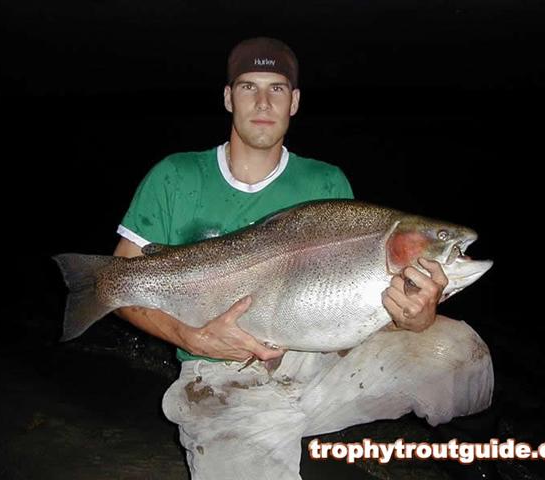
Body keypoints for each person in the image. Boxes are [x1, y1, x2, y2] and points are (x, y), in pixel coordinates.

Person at [112, 37, 495, 479]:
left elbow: (352, 318)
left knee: (458, 351)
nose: (261, 101)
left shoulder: (327, 182)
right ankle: (260, 436)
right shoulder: (175, 176)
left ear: (293, 101)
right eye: (247, 87)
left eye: (276, 89)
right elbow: (119, 281)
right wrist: (190, 337)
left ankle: (483, 462)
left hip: (316, 362)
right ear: (227, 96)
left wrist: (413, 318)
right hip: (219, 377)